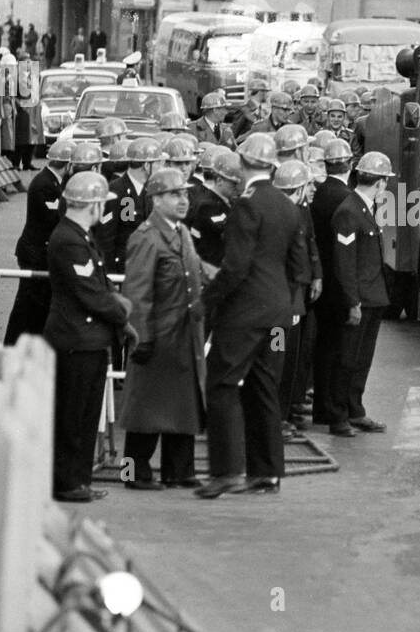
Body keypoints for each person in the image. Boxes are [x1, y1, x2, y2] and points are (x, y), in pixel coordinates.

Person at [198, 133, 309, 498]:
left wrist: (207, 300)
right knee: (264, 389)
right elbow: (297, 266)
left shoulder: (246, 206)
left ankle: (227, 470)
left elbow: (236, 267)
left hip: (244, 313)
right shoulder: (288, 206)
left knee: (222, 384)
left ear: (243, 165)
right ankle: (267, 472)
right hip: (277, 313)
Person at [43, 171, 136, 502]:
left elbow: (99, 284)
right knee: (72, 416)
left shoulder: (80, 236)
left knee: (84, 417)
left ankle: (78, 480)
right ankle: (66, 482)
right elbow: (90, 293)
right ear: (92, 205)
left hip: (89, 340)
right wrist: (123, 313)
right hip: (76, 341)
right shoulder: (68, 239)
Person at [118, 167, 210, 491]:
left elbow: (195, 272)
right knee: (144, 412)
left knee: (182, 407)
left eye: (184, 194)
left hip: (184, 336)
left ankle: (179, 470)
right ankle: (132, 473)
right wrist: (140, 337)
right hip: (157, 337)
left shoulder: (181, 232)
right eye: (175, 194)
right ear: (156, 199)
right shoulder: (146, 237)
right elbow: (136, 292)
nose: (183, 200)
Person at [326, 151, 393, 436]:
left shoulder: (363, 209)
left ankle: (355, 409)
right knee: (346, 358)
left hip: (372, 297)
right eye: (385, 183)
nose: (386, 189)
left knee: (362, 358)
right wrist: (352, 301)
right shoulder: (349, 212)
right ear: (378, 183)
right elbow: (344, 263)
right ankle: (338, 415)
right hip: (359, 299)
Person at [5, 138, 76, 344]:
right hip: (34, 255)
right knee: (27, 306)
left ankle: (26, 346)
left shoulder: (52, 181)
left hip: (39, 254)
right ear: (68, 164)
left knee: (36, 307)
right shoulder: (45, 185)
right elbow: (54, 219)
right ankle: (12, 345)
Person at [274, 160, 323, 435]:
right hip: (282, 302)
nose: (313, 189)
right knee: (278, 357)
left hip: (293, 299)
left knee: (288, 358)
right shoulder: (282, 216)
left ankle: (284, 411)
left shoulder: (297, 212)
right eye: (309, 185)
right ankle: (275, 417)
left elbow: (309, 243)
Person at [311, 138, 355, 428]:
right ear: (350, 164)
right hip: (338, 284)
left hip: (317, 281)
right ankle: (333, 408)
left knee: (321, 347)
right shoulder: (348, 200)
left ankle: (319, 405)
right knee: (339, 350)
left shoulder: (316, 194)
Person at [102, 136, 158, 274]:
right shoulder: (115, 191)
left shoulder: (150, 190)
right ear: (146, 165)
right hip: (123, 267)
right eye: (157, 163)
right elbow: (106, 238)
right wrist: (110, 274)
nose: (161, 167)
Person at [186, 146, 240, 266]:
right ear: (219, 180)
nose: (238, 189)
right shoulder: (206, 206)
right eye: (234, 184)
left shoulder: (229, 202)